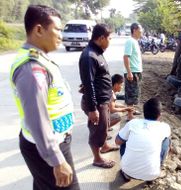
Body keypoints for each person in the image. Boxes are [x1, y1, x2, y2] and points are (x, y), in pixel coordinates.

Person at [10, 5, 79, 189]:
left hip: (50, 144)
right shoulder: (32, 69)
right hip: (48, 148)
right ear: (39, 30)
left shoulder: (40, 60)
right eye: (57, 29)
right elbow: (37, 119)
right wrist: (56, 160)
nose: (61, 35)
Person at [79, 24, 118, 168]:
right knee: (97, 131)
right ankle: (97, 158)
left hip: (104, 100)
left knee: (104, 127)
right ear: (101, 38)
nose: (110, 41)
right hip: (97, 103)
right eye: (109, 38)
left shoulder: (97, 52)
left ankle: (105, 146)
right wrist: (92, 108)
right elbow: (88, 84)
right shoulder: (89, 56)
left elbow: (94, 78)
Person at [115, 98, 171, 182]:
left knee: (124, 138)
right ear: (159, 115)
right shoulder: (164, 127)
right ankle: (158, 166)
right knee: (167, 140)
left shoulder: (133, 123)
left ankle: (126, 175)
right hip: (152, 174)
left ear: (144, 112)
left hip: (127, 170)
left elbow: (117, 142)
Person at [123, 23, 143, 119]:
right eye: (140, 30)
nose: (141, 32)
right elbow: (126, 57)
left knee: (135, 93)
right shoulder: (130, 41)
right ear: (134, 30)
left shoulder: (135, 41)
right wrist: (129, 72)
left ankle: (132, 110)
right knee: (131, 94)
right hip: (132, 72)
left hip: (136, 72)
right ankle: (129, 115)